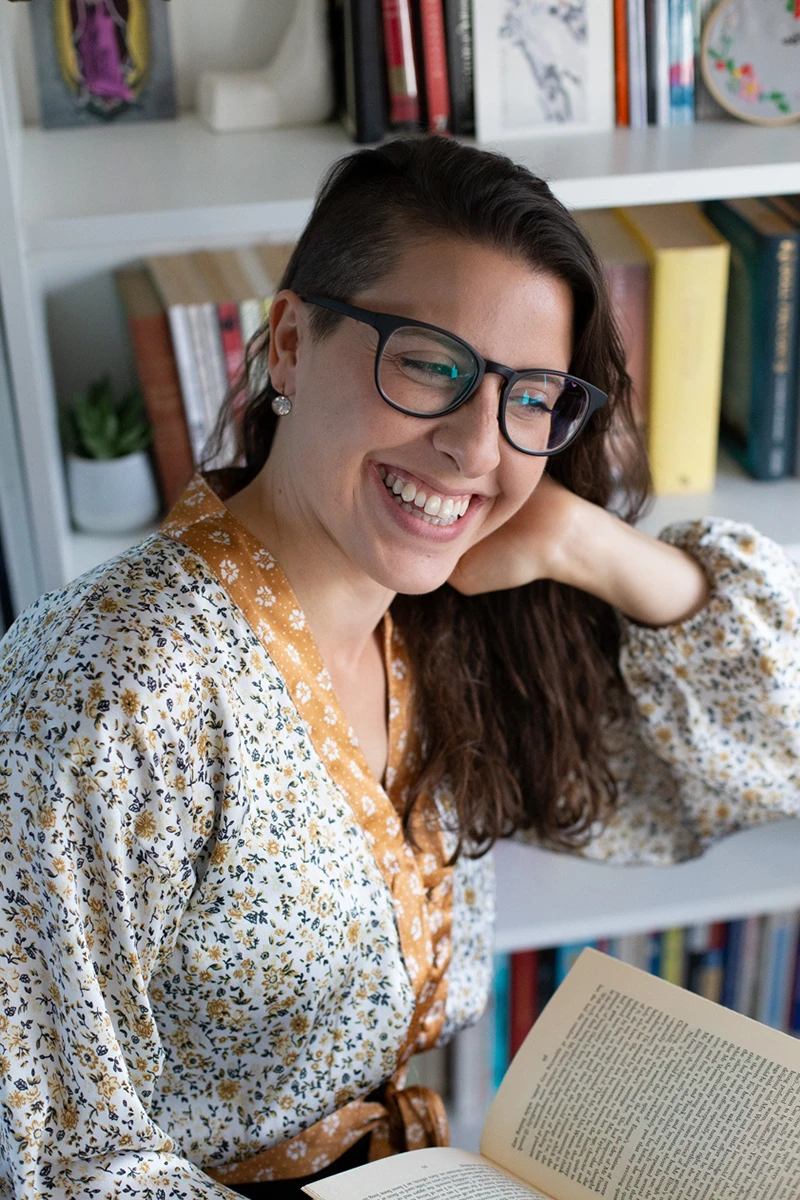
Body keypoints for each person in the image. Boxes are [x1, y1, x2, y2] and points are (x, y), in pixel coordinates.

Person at [1, 135, 798, 1200]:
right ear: (289, 342)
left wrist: (582, 544)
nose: (475, 447)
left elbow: (765, 756)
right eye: (430, 363)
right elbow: (55, 1153)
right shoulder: (112, 689)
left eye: (529, 398)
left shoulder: (436, 633)